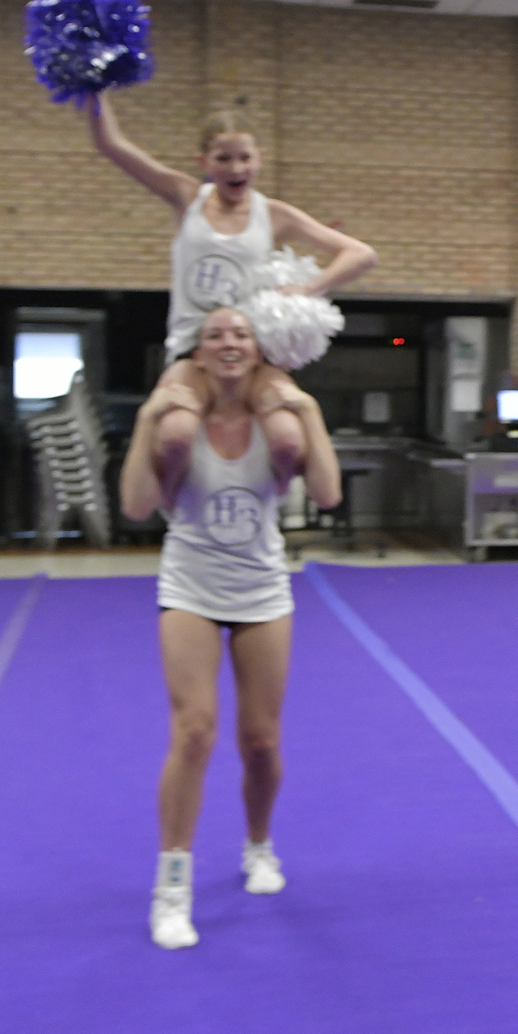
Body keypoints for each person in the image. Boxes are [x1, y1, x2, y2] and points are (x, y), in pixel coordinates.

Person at [120, 307, 342, 950]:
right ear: (199, 351)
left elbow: (327, 494)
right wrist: (144, 420)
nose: (228, 343)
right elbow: (136, 504)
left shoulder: (277, 427)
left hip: (262, 591)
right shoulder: (177, 429)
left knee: (262, 742)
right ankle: (171, 886)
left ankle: (258, 844)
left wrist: (308, 411)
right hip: (189, 585)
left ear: (257, 349)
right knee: (193, 732)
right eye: (215, 334)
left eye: (240, 334)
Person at [88, 96, 376, 493]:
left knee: (289, 438)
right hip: (194, 349)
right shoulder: (186, 197)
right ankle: (174, 500)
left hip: (249, 355)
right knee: (174, 434)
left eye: (244, 158)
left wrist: (307, 289)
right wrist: (95, 92)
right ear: (204, 162)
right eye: (224, 158)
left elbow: (361, 254)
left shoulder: (273, 214)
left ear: (259, 159)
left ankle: (265, 502)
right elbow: (112, 145)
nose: (236, 168)